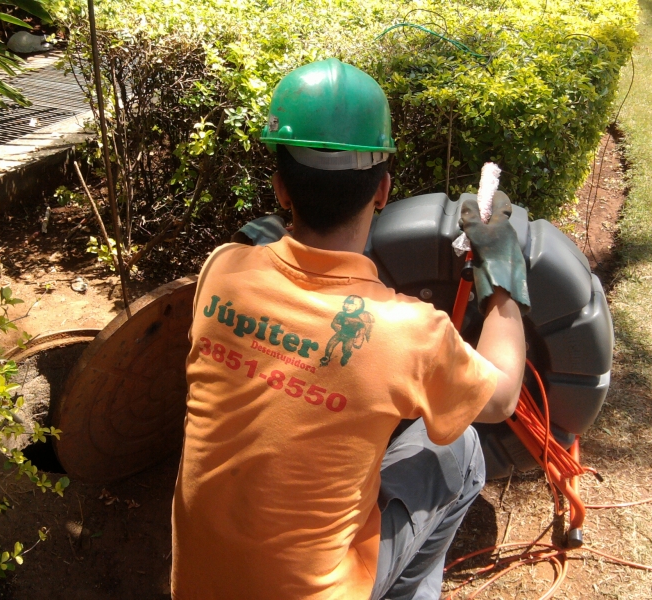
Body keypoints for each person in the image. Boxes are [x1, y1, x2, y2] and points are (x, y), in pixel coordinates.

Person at [171, 58, 528, 599]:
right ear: (382, 191)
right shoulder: (408, 332)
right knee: (463, 450)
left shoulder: (223, 270)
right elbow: (501, 397)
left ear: (281, 190)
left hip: (199, 582)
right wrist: (500, 274)